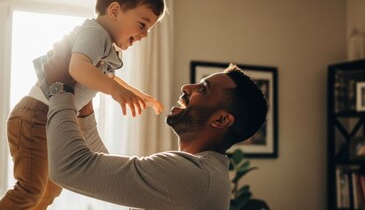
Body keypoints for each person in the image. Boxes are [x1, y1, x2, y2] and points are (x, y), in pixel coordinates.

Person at [0, 0, 166, 209]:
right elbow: (78, 68)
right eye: (142, 24)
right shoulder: (94, 33)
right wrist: (116, 92)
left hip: (48, 118)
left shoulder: (104, 47)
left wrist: (137, 94)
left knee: (51, 189)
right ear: (114, 11)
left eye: (149, 29)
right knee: (30, 189)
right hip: (35, 115)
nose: (145, 34)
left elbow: (106, 76)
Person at [40, 39, 268, 209]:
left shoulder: (193, 176)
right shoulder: (201, 173)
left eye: (203, 89)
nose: (187, 88)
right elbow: (113, 177)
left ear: (221, 120)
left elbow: (69, 168)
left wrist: (59, 88)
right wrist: (85, 113)